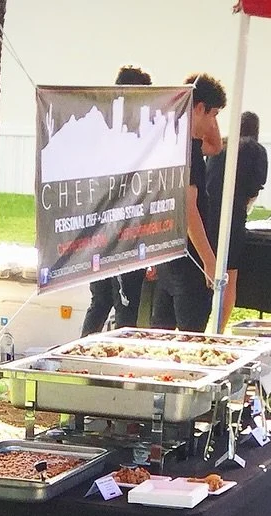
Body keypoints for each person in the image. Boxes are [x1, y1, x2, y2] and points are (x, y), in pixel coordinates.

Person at [80, 65, 152, 337]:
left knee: (103, 302)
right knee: (120, 305)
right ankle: (102, 361)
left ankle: (85, 354)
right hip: (119, 234)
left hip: (104, 232)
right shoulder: (125, 135)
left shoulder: (102, 129)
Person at [154, 72, 227, 333]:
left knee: (160, 335)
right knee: (190, 336)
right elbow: (188, 209)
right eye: (214, 114)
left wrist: (200, 109)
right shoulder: (188, 153)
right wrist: (209, 260)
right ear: (199, 108)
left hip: (168, 255)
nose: (215, 122)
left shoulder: (174, 140)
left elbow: (216, 146)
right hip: (188, 261)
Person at [204, 110, 269, 328]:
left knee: (206, 270)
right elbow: (254, 187)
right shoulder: (255, 150)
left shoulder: (219, 146)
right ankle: (219, 329)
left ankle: (204, 323)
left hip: (206, 213)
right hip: (232, 216)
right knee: (228, 276)